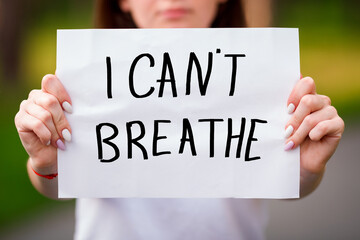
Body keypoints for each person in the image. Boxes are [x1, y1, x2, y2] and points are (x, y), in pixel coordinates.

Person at [14, 0, 344, 239]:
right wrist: (46, 161)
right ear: (122, 3)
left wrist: (305, 168)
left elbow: (284, 184)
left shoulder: (264, 76)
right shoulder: (87, 79)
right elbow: (57, 185)